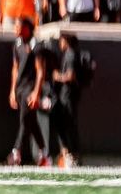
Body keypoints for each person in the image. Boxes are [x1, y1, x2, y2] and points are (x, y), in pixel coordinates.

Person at [8, 17, 46, 166]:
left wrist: (36, 92)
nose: (15, 29)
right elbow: (15, 68)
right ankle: (44, 153)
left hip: (30, 89)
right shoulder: (17, 44)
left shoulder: (36, 45)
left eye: (17, 26)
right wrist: (12, 90)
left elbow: (40, 71)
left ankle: (16, 152)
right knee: (31, 121)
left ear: (26, 28)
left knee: (24, 119)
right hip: (19, 88)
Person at [49, 33, 88, 169]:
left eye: (62, 40)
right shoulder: (70, 53)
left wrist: (57, 76)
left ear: (67, 40)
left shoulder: (70, 54)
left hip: (68, 95)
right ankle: (68, 154)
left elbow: (70, 76)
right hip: (68, 94)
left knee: (69, 125)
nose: (60, 43)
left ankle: (73, 155)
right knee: (66, 124)